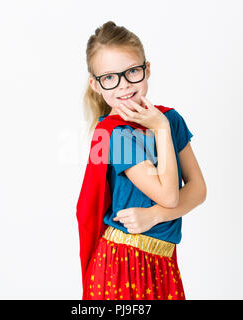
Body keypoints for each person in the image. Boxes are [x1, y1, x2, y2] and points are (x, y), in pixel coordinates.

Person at [76, 21, 207, 300]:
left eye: (132, 72)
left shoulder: (170, 119)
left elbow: (198, 189)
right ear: (96, 85)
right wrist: (160, 129)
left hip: (162, 261)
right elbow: (170, 195)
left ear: (147, 69)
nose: (124, 85)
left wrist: (155, 215)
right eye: (110, 78)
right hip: (123, 264)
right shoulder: (115, 135)